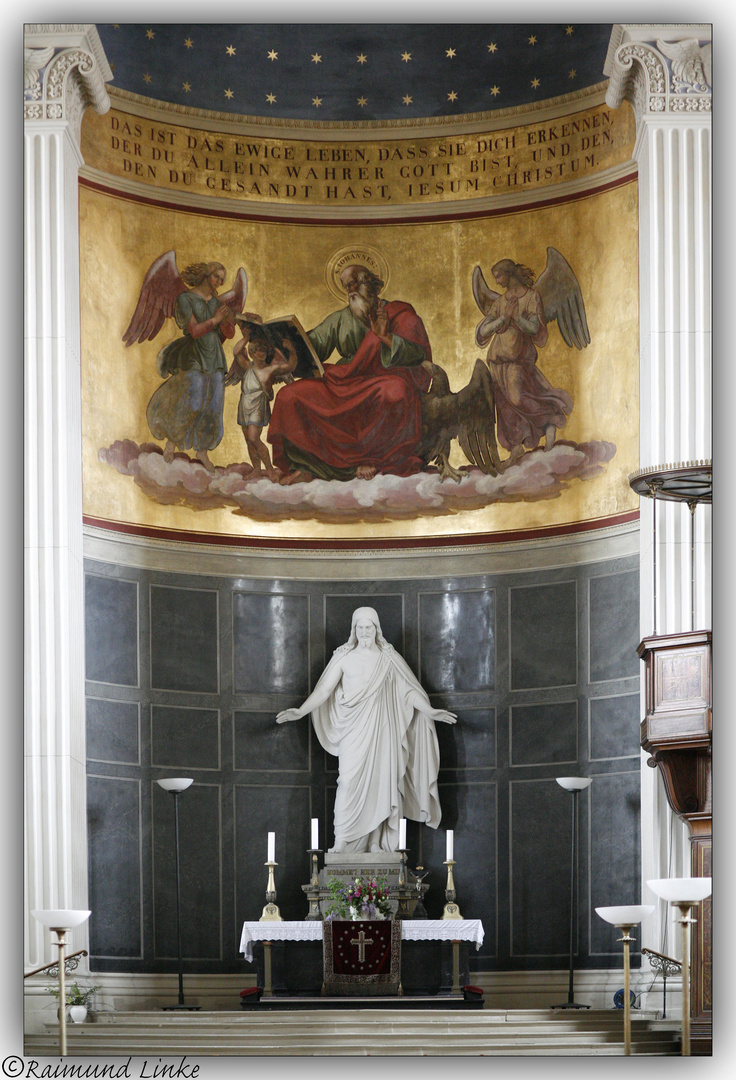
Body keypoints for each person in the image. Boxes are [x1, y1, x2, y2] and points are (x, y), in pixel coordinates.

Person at [276, 607, 456, 853]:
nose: (364, 632)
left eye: (368, 627)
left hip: (383, 733)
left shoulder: (389, 659)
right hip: (353, 732)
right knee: (348, 781)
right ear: (354, 630)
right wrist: (301, 710)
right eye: (359, 628)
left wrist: (429, 710)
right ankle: (342, 841)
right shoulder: (344, 657)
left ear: (376, 629)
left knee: (382, 784)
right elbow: (323, 691)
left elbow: (409, 692)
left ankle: (375, 843)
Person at [267, 264, 433, 484]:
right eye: (346, 286)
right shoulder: (341, 318)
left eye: (354, 283)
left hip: (379, 383)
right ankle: (307, 466)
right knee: (289, 396)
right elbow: (312, 346)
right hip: (343, 382)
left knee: (396, 391)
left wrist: (386, 338)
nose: (350, 291)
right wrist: (283, 344)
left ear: (371, 284)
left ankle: (374, 461)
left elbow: (419, 355)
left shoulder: (399, 314)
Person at [475, 258, 573, 465]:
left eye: (499, 277)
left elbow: (535, 329)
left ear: (509, 274)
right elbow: (483, 331)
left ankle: (549, 420)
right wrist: (502, 319)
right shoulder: (500, 302)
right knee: (503, 406)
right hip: (496, 360)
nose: (498, 282)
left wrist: (517, 318)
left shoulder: (531, 297)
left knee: (517, 398)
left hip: (517, 359)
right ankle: (516, 447)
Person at [146, 262, 236, 473]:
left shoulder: (215, 302)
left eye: (222, 279)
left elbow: (229, 332)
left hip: (214, 355)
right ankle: (172, 441)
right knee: (194, 400)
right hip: (194, 354)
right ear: (206, 276)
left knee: (214, 405)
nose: (220, 283)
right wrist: (216, 319)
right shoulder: (185, 299)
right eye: (217, 277)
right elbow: (195, 331)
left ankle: (202, 450)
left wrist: (231, 321)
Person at [225, 323, 297, 482]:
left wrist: (291, 351)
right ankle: (257, 470)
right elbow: (236, 351)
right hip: (244, 404)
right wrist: (245, 338)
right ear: (252, 352)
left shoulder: (270, 370)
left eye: (264, 350)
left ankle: (269, 469)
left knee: (253, 437)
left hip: (258, 405)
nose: (261, 353)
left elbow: (290, 366)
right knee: (248, 440)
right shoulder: (247, 366)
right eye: (258, 350)